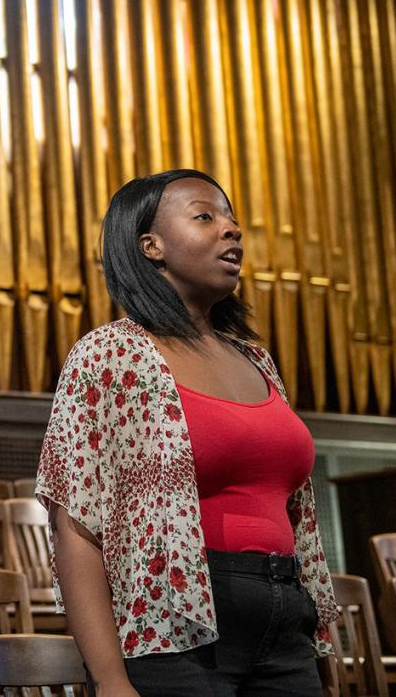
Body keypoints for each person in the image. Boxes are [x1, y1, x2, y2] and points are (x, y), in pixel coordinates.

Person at [35, 169, 339, 696]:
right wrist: (109, 679)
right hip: (176, 628)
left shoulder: (257, 360)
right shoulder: (111, 355)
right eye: (206, 217)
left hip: (286, 619)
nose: (232, 230)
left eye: (232, 219)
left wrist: (319, 652)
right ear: (151, 246)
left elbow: (295, 518)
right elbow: (76, 526)